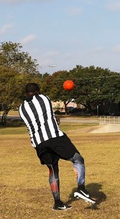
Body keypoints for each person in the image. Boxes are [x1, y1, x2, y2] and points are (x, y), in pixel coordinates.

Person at [19, 82, 97, 210]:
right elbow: (47, 113)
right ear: (38, 91)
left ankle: (57, 203)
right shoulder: (44, 98)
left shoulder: (21, 108)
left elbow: (38, 118)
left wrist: (53, 119)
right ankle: (81, 188)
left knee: (52, 169)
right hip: (54, 137)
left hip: (39, 143)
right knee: (78, 159)